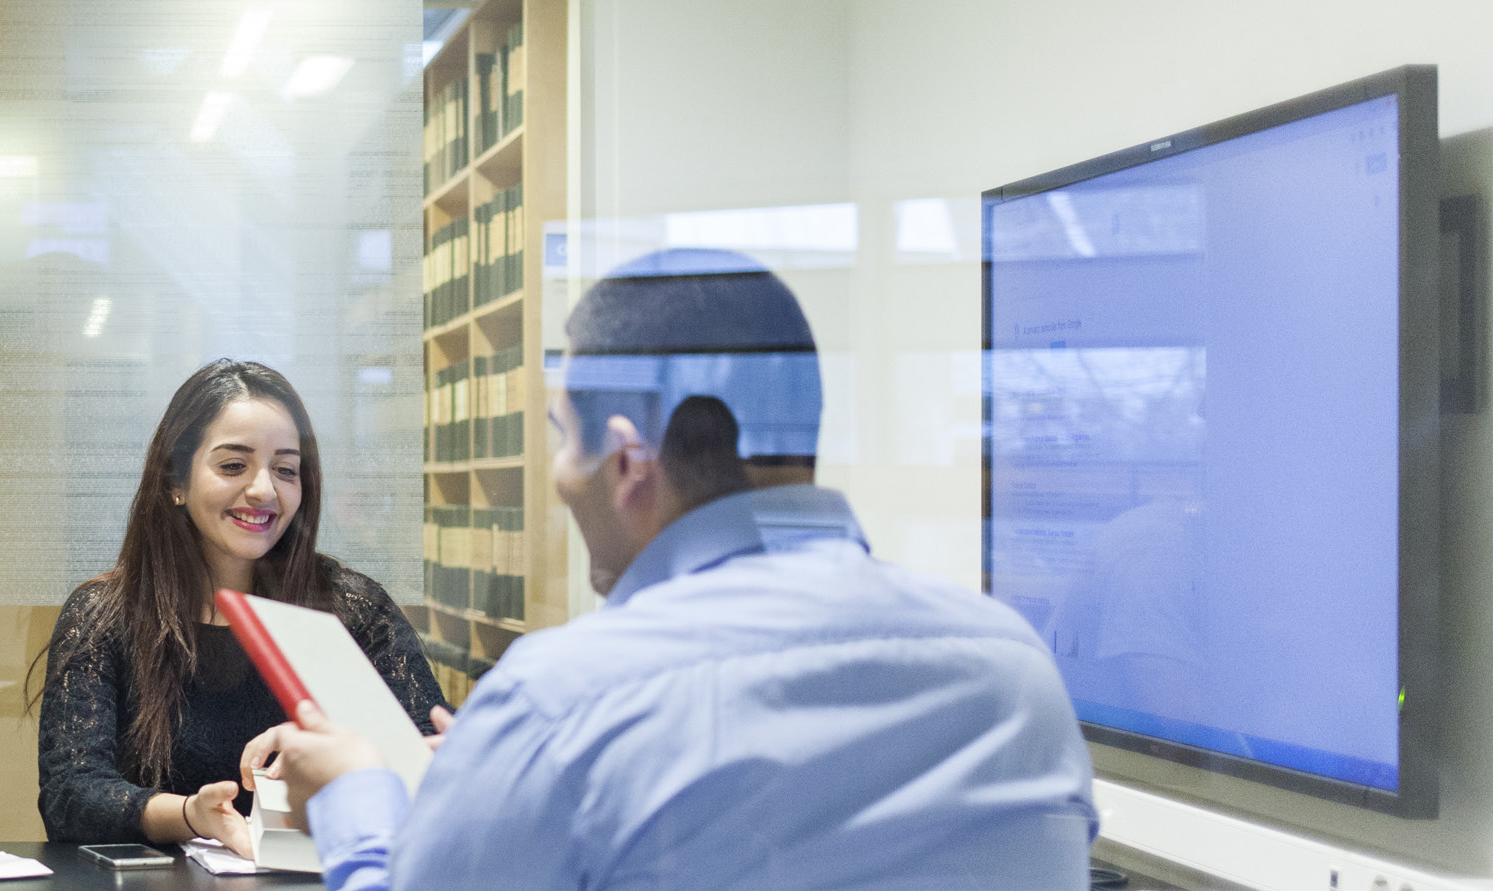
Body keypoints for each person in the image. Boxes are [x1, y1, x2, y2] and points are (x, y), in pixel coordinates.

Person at [244, 249, 1099, 889]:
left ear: (627, 460)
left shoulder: (561, 701)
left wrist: (359, 796)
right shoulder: (1013, 666)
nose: (557, 476)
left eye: (562, 438)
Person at [35, 360, 444, 853]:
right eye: (233, 465)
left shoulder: (352, 608)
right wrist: (192, 815)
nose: (264, 490)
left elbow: (431, 762)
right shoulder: (103, 614)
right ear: (175, 481)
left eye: (286, 470)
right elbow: (70, 797)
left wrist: (326, 747)